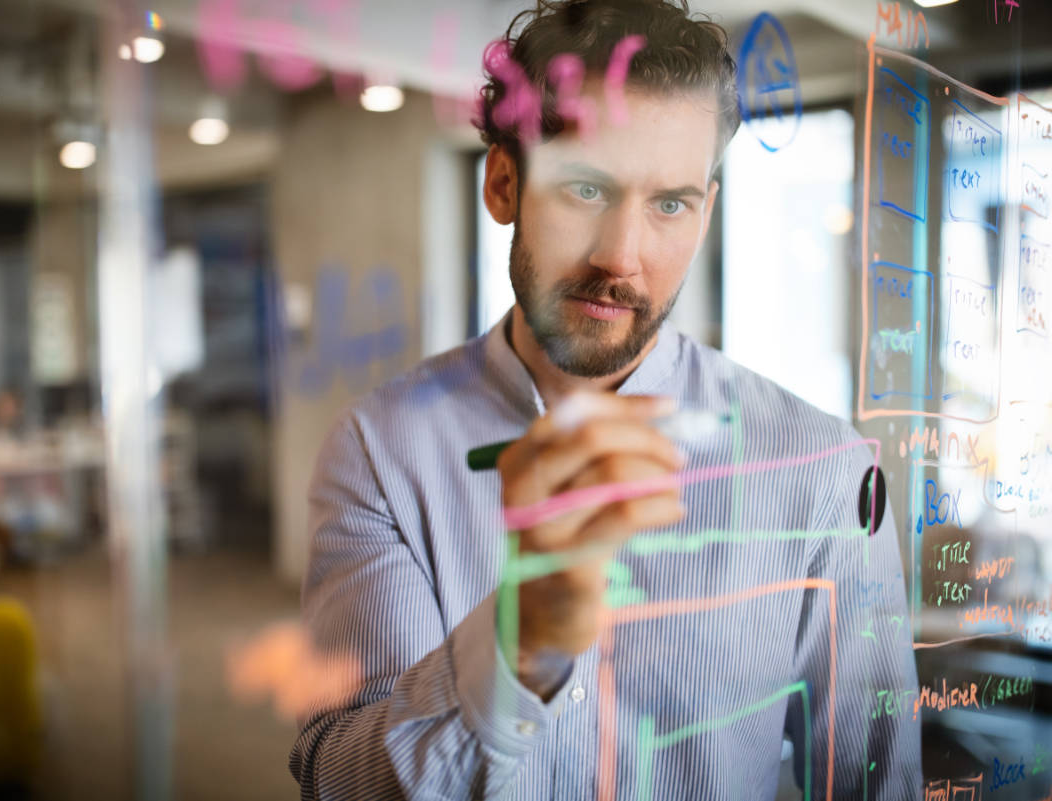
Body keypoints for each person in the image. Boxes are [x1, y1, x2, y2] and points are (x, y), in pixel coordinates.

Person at [291, 1, 920, 798]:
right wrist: (515, 649)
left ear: (706, 212)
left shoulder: (824, 474)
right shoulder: (381, 453)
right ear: (503, 182)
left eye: (669, 204)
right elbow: (337, 782)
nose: (622, 256)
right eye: (586, 188)